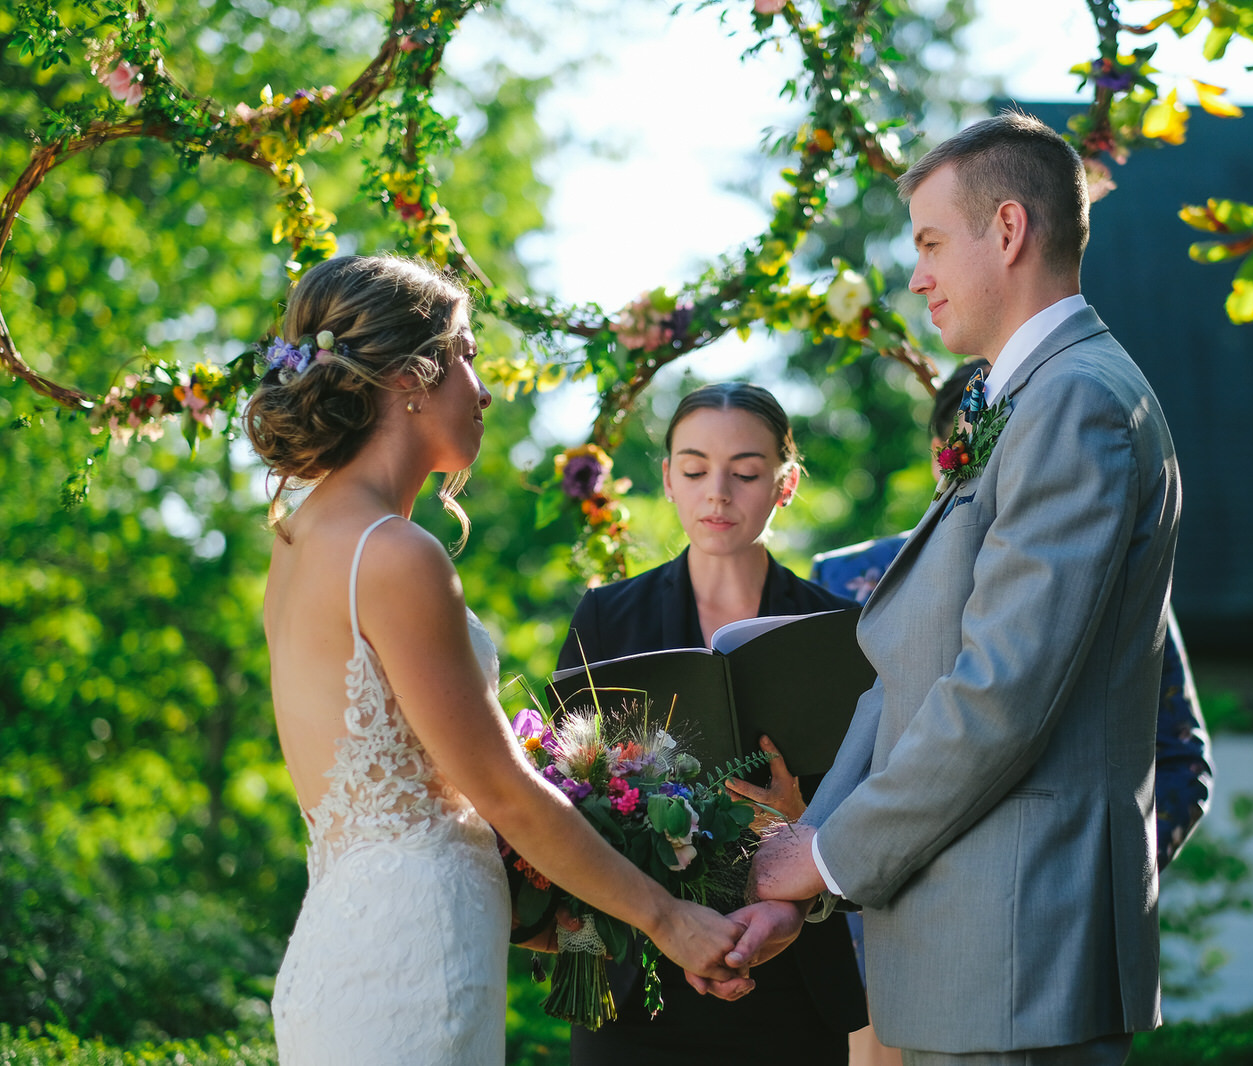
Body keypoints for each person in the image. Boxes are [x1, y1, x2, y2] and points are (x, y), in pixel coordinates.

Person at [708, 111, 1180, 1066]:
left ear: (1007, 231)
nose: (915, 276)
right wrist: (805, 855)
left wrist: (828, 856)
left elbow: (1002, 690)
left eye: (929, 244)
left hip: (1018, 948)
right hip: (963, 953)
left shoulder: (1077, 400)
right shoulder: (1023, 399)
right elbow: (903, 676)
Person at [245, 255, 745, 1065]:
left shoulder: (296, 542)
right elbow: (504, 792)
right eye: (468, 354)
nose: (483, 388)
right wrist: (670, 919)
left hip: (337, 948)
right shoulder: (397, 554)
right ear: (412, 377)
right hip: (417, 956)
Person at [555, 382, 868, 1065]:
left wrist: (805, 819)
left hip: (791, 981)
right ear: (667, 479)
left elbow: (882, 803)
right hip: (638, 980)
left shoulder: (838, 630)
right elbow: (565, 795)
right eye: (695, 470)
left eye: (746, 473)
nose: (717, 493)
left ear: (784, 486)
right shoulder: (608, 618)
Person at [812, 358, 1211, 872]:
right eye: (983, 453)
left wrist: (1086, 878)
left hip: (1035, 894)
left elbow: (1180, 761)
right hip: (863, 908)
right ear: (941, 458)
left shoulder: (1117, 579)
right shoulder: (845, 580)